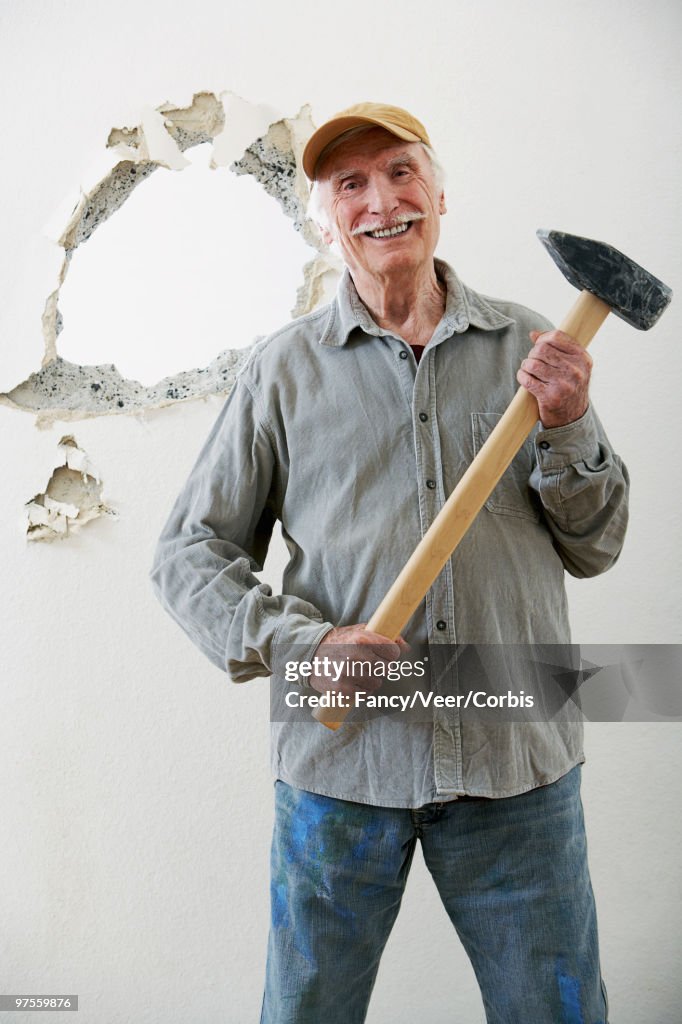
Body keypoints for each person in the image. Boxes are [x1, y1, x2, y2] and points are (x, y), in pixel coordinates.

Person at [149, 102, 627, 1023]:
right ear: (326, 220)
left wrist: (565, 428)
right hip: (342, 772)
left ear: (440, 194)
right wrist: (304, 644)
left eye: (401, 173)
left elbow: (598, 545)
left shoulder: (534, 353)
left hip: (514, 767)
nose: (382, 201)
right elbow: (187, 552)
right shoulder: (282, 371)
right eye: (351, 185)